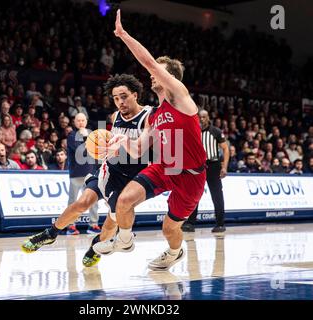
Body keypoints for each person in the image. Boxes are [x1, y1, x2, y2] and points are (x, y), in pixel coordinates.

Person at [93, 10, 207, 272]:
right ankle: (124, 240)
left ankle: (175, 252)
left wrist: (123, 35)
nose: (152, 75)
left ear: (172, 78)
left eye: (159, 72)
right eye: (154, 71)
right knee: (123, 201)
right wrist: (120, 141)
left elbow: (150, 64)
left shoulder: (180, 97)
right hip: (166, 167)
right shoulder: (155, 115)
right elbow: (138, 150)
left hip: (190, 175)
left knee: (169, 228)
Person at [21, 74, 151, 268]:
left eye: (123, 96)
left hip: (131, 179)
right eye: (115, 98)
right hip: (109, 169)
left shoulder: (148, 116)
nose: (120, 102)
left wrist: (124, 145)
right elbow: (110, 144)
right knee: (82, 202)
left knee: (110, 222)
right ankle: (51, 233)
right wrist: (103, 147)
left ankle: (96, 246)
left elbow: (144, 149)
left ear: (135, 94)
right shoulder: (115, 117)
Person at [182, 110, 229, 233]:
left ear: (208, 118)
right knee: (193, 194)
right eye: (200, 117)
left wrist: (224, 167)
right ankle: (190, 223)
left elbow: (225, 149)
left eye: (204, 117)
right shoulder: (193, 131)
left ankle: (220, 224)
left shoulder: (216, 131)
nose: (201, 119)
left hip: (213, 165)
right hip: (197, 165)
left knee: (216, 194)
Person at [65, 113, 99, 235]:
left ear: (86, 121)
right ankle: (71, 225)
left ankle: (93, 225)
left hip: (90, 173)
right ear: (74, 122)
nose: (81, 122)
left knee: (93, 199)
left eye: (83, 120)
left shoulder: (92, 135)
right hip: (76, 174)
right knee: (73, 201)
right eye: (78, 120)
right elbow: (80, 152)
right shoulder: (71, 135)